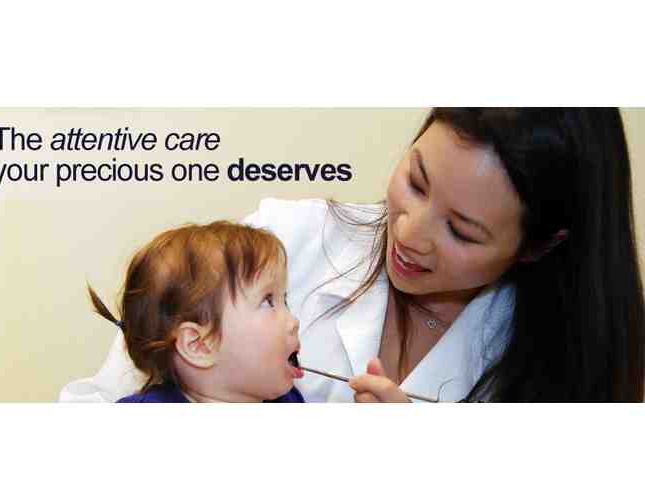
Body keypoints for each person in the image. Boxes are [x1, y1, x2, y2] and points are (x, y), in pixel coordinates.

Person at [61, 108, 644, 403]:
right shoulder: (270, 249)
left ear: (540, 245)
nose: (409, 232)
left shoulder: (566, 376)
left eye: (462, 231)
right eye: (416, 181)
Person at [86, 221, 304, 403]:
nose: (294, 321)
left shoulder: (288, 400)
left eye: (284, 300)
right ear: (199, 344)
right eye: (268, 301)